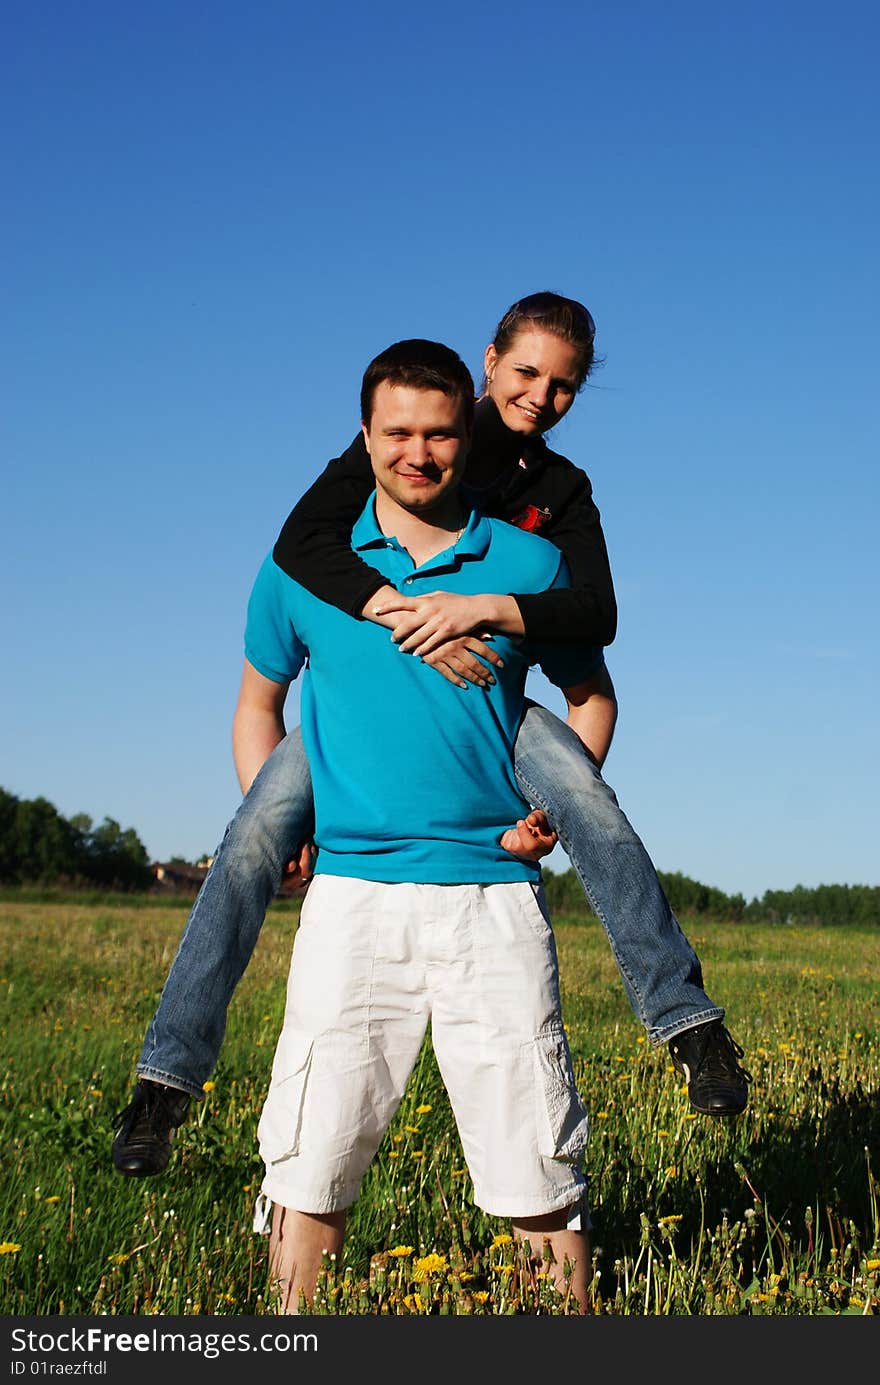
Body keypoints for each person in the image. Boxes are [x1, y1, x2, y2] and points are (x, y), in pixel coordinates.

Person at [112, 291, 749, 1182]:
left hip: (499, 706)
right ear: (488, 363)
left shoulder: (560, 494)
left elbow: (594, 618)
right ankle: (164, 1081)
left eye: (564, 385)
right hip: (361, 706)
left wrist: (479, 612)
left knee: (594, 809)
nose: (540, 396)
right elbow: (302, 541)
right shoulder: (424, 427)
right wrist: (402, 614)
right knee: (253, 834)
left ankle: (689, 1024)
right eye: (526, 371)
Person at [248, 339, 600, 1311]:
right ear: (364, 435)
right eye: (396, 432)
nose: (418, 452)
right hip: (351, 895)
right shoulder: (303, 565)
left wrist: (555, 809)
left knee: (537, 1154)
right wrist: (284, 829)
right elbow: (255, 703)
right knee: (312, 1150)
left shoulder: (528, 560)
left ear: (467, 433)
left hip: (493, 896)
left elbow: (590, 692)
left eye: (439, 432)